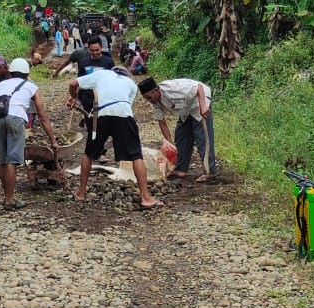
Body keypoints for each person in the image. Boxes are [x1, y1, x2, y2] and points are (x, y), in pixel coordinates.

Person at [69, 67, 162, 209]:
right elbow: (125, 106)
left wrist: (74, 97)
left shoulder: (102, 74)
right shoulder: (131, 84)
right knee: (136, 155)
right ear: (126, 74)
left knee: (89, 153)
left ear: (113, 71)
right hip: (123, 115)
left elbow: (73, 84)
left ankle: (81, 193)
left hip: (102, 115)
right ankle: (145, 197)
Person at [0, 58, 58, 209]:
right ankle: (10, 200)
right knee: (11, 161)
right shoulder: (31, 86)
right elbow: (42, 115)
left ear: (10, 72)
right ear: (27, 74)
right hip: (15, 119)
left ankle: (7, 196)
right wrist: (52, 140)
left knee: (2, 160)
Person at [138, 77, 217, 182]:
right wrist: (170, 143)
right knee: (181, 134)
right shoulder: (154, 102)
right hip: (185, 108)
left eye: (149, 97)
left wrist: (203, 106)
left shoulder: (173, 89)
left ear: (156, 90)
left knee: (203, 137)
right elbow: (162, 122)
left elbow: (199, 87)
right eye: (146, 98)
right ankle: (181, 169)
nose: (149, 100)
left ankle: (210, 172)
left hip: (199, 101)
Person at [52, 36, 115, 140]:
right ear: (88, 49)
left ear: (101, 48)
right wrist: (74, 97)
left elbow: (112, 81)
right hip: (88, 98)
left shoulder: (108, 62)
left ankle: (100, 147)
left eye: (97, 50)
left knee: (102, 124)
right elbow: (80, 81)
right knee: (90, 125)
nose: (95, 53)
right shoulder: (84, 62)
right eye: (92, 51)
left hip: (104, 98)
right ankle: (94, 147)